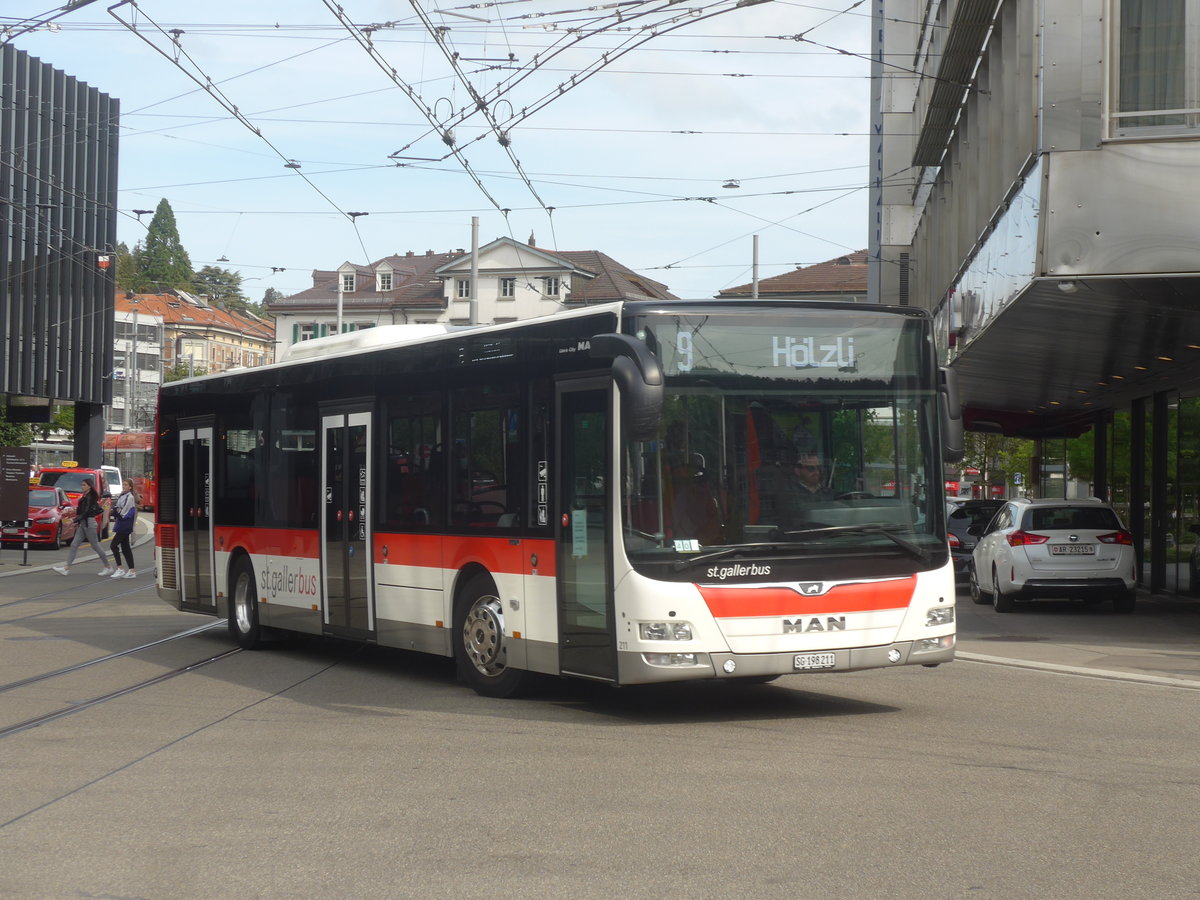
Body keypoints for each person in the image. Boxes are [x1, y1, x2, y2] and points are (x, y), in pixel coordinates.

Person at [53, 477, 112, 576]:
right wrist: (71, 511)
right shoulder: (85, 496)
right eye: (82, 485)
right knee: (74, 544)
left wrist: (73, 520)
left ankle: (108, 567)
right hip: (83, 524)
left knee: (95, 546)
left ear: (89, 486)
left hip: (89, 524)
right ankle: (66, 568)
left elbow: (86, 512)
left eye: (84, 485)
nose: (82, 486)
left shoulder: (90, 497)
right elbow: (81, 511)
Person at [109, 479, 138, 578]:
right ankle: (132, 570)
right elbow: (118, 507)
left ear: (130, 487)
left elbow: (124, 510)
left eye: (126, 485)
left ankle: (120, 568)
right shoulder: (122, 496)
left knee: (113, 545)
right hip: (122, 524)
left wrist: (116, 512)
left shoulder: (129, 497)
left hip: (124, 525)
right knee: (125, 548)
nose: (124, 486)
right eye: (123, 485)